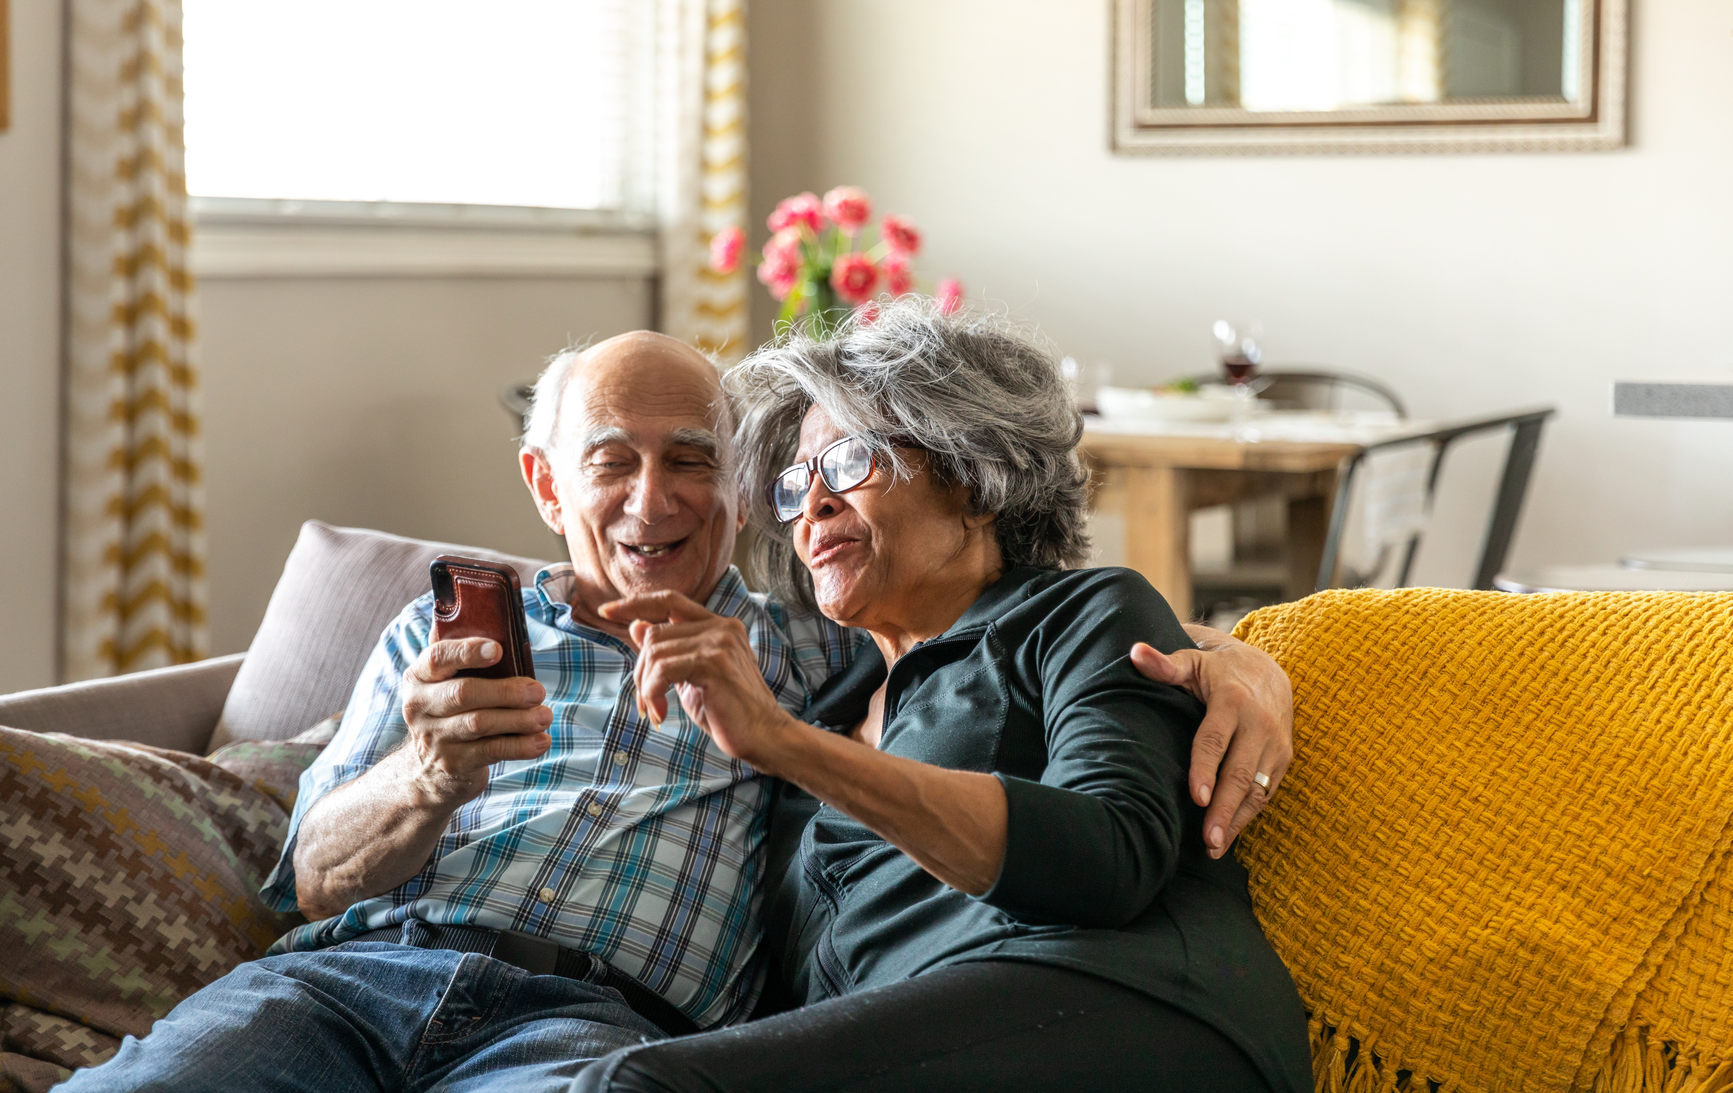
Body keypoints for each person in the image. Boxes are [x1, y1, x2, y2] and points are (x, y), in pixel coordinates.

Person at [59, 329, 1295, 1093]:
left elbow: (1018, 619)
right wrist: (425, 779)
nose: (655, 496)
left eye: (696, 458)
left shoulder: (802, 649)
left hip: (591, 1026)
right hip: (344, 980)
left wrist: (1250, 658)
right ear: (547, 484)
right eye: (611, 458)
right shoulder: (438, 635)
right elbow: (312, 879)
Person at [576, 301, 1312, 1092]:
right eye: (797, 483)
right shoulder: (826, 694)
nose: (814, 506)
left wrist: (785, 743)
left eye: (849, 461)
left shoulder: (1082, 614)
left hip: (1126, 1011)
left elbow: (1110, 858)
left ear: (971, 478)